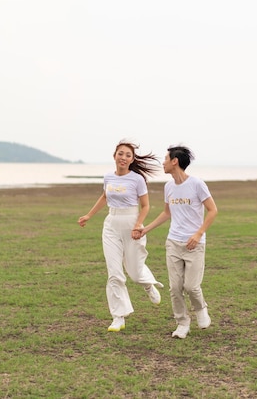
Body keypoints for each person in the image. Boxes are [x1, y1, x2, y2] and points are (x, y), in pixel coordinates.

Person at [78, 140, 164, 332]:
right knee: (115, 273)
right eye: (120, 154)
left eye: (127, 155)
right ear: (114, 155)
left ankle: (149, 284)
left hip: (132, 223)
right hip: (111, 225)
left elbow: (146, 206)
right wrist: (89, 215)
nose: (123, 158)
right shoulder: (108, 177)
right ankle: (118, 317)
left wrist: (138, 225)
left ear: (132, 160)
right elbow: (105, 196)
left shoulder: (137, 179)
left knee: (134, 272)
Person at [134, 145, 218, 339]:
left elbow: (213, 210)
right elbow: (167, 212)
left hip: (194, 245)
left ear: (175, 161)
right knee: (175, 288)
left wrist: (198, 234)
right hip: (173, 243)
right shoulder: (168, 186)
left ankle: (200, 308)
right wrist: (145, 229)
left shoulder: (197, 184)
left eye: (165, 158)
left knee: (191, 286)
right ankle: (182, 323)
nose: (163, 162)